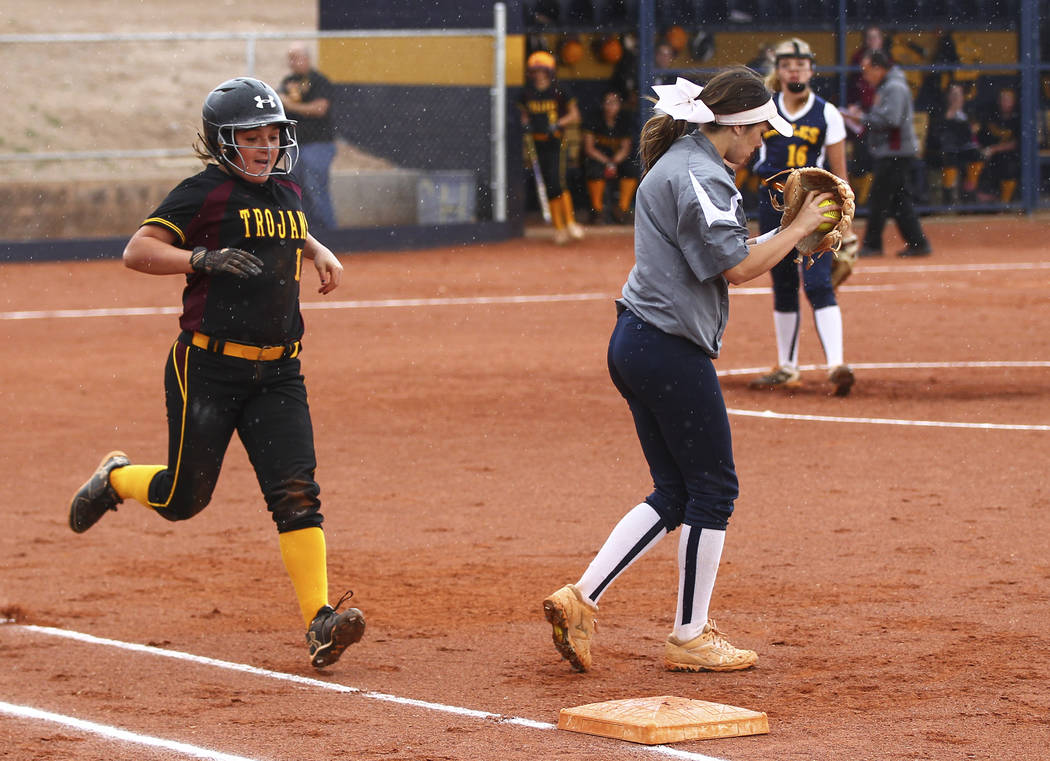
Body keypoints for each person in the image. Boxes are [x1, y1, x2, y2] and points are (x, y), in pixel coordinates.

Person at [542, 69, 836, 673]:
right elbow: (737, 266)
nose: (760, 145)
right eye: (757, 132)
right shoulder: (703, 173)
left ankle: (580, 599)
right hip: (667, 347)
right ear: (731, 127)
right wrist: (798, 228)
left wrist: (789, 234)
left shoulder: (683, 159)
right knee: (714, 491)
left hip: (639, 341)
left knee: (676, 493)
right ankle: (690, 635)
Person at [67, 77, 364, 670]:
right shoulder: (204, 193)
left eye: (273, 135)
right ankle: (116, 478)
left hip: (280, 373)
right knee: (183, 500)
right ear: (222, 143)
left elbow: (282, 223)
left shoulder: (286, 188)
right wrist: (199, 257)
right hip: (206, 366)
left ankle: (320, 620)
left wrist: (316, 248)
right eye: (249, 137)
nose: (264, 146)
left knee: (297, 494)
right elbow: (137, 250)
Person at [749, 38, 855, 396]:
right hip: (773, 203)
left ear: (811, 69)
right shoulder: (765, 110)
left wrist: (846, 223)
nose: (795, 69)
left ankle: (837, 365)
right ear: (778, 71)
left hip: (817, 204)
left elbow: (840, 174)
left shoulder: (826, 113)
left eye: (801, 64)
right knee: (782, 281)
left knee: (818, 281)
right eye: (787, 64)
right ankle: (788, 366)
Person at [845, 50, 932, 258]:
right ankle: (917, 242)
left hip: (895, 152)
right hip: (894, 152)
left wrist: (861, 118)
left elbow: (891, 120)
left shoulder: (893, 87)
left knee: (880, 199)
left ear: (879, 67)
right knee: (898, 200)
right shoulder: (889, 85)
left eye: (867, 70)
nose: (865, 76)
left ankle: (874, 244)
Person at [519, 50, 584, 244]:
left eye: (543, 71)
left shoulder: (559, 91)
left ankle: (571, 223)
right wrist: (526, 123)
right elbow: (523, 115)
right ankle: (559, 229)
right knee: (548, 185)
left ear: (549, 72)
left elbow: (575, 115)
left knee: (558, 182)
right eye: (535, 71)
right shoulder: (526, 93)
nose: (539, 75)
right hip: (536, 142)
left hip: (556, 141)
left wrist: (558, 123)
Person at [279, 42, 338, 231]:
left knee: (316, 189)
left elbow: (319, 109)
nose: (293, 63)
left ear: (306, 58)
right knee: (297, 190)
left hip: (318, 144)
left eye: (296, 58)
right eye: (290, 58)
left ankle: (328, 233)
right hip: (296, 144)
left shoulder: (319, 81)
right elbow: (279, 101)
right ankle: (306, 232)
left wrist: (291, 106)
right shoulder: (289, 81)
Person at [582, 90, 638, 224]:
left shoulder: (624, 119)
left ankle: (622, 210)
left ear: (619, 105)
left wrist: (614, 162)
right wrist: (607, 162)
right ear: (602, 104)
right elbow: (589, 148)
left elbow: (625, 148)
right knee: (593, 170)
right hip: (599, 158)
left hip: (617, 159)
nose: (611, 106)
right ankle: (598, 211)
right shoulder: (594, 118)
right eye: (608, 103)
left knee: (631, 169)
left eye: (614, 103)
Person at [923, 81, 983, 206]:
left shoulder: (968, 111)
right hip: (945, 148)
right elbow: (937, 133)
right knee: (949, 158)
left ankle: (970, 189)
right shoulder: (940, 111)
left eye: (958, 94)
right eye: (953, 94)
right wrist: (951, 112)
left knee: (977, 156)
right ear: (948, 96)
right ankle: (948, 193)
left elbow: (974, 130)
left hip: (965, 148)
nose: (955, 97)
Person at [976, 87, 1021, 204]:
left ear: (1013, 101)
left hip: (1010, 156)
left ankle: (1005, 203)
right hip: (991, 156)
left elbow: (1017, 143)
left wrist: (994, 149)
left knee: (1009, 167)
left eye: (1007, 99)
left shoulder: (1018, 118)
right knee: (977, 163)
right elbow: (981, 137)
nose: (1004, 102)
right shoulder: (992, 116)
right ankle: (980, 200)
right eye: (1002, 99)